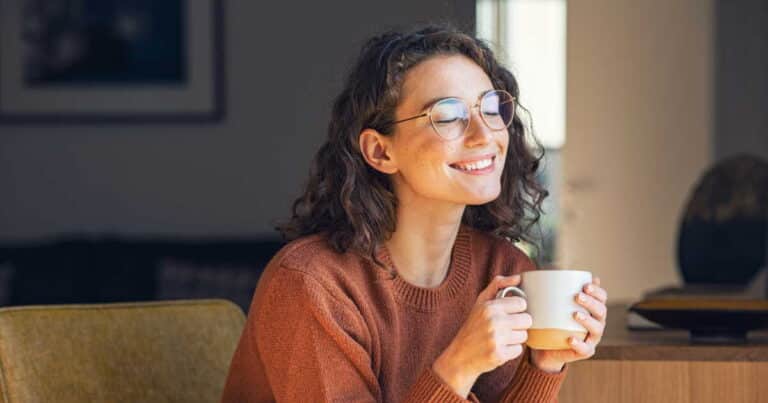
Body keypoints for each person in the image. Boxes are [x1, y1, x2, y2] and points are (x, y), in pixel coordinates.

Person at [221, 24, 608, 403]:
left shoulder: (503, 269)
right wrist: (456, 368)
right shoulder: (313, 287)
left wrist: (544, 367)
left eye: (491, 107)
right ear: (380, 152)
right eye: (447, 116)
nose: (484, 135)